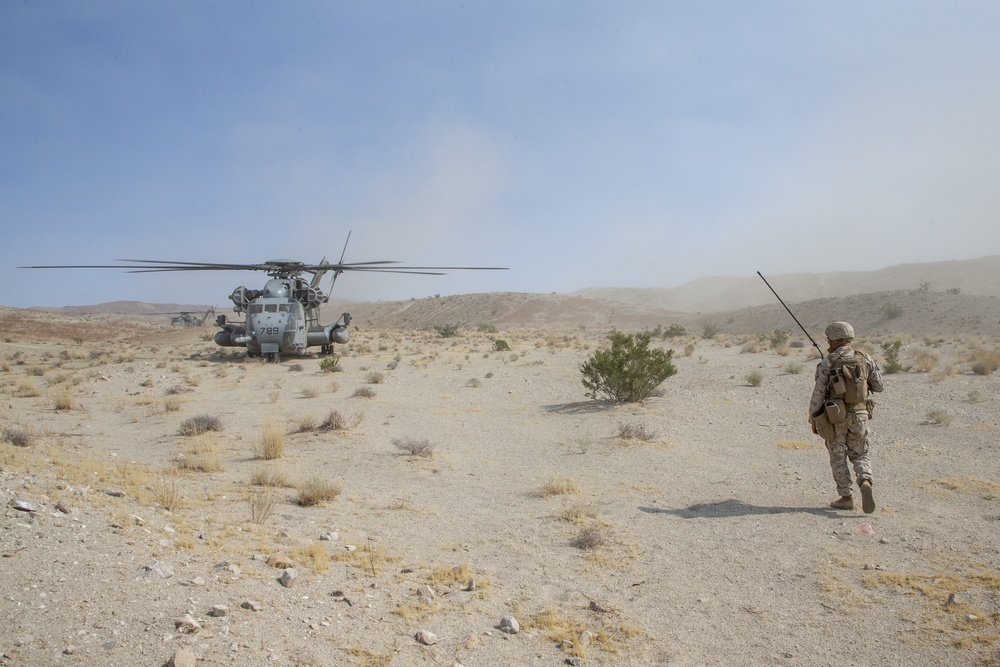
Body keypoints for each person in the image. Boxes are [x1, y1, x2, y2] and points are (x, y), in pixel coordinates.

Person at [808, 321, 884, 513]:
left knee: (838, 456)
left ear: (836, 339)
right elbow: (879, 386)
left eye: (829, 338)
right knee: (860, 453)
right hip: (860, 414)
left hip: (836, 416)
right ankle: (865, 480)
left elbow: (818, 394)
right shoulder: (865, 358)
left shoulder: (827, 363)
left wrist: (814, 419)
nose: (828, 341)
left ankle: (846, 497)